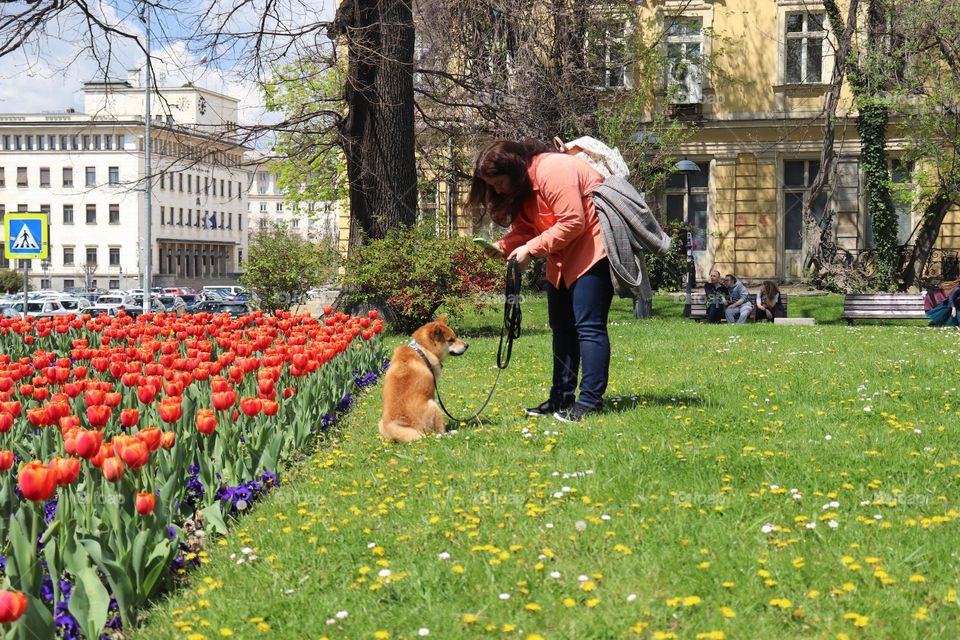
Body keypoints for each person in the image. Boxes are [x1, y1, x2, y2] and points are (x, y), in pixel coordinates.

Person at [467, 139, 610, 423]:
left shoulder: (553, 169)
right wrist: (504, 246)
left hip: (592, 251)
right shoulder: (524, 186)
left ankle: (590, 402)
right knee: (562, 329)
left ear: (513, 169)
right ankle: (561, 399)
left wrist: (530, 251)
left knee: (588, 328)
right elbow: (529, 228)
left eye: (498, 183)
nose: (496, 190)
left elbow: (573, 221)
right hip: (560, 258)